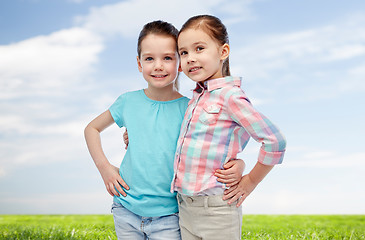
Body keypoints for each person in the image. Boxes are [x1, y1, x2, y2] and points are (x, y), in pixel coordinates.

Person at [84, 20, 244, 240]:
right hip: (125, 209)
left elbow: (214, 146)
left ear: (179, 63)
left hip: (171, 216)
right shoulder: (127, 102)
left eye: (167, 58)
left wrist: (239, 163)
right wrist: (105, 168)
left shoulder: (191, 109)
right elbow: (92, 128)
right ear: (139, 64)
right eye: (149, 58)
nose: (158, 65)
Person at [171, 15, 287, 240]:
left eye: (199, 48)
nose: (190, 58)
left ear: (223, 52)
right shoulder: (196, 99)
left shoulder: (230, 96)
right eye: (183, 52)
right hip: (186, 207)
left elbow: (275, 140)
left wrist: (250, 180)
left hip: (217, 209)